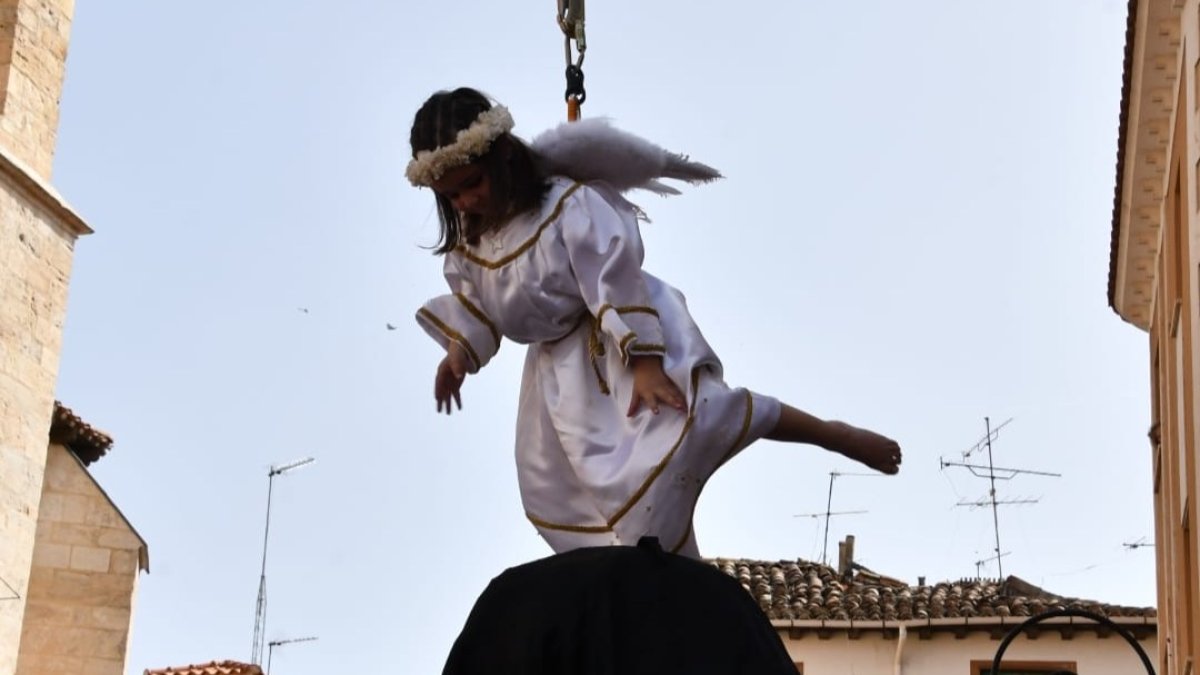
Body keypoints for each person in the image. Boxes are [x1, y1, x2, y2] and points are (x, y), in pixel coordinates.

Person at [409, 87, 901, 558]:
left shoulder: (563, 206)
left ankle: (835, 434)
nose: (466, 203)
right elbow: (479, 311)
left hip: (616, 339)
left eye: (472, 183)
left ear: (502, 159)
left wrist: (644, 361)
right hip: (556, 381)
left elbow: (612, 277)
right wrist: (458, 357)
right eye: (451, 197)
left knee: (701, 415)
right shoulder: (470, 252)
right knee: (582, 491)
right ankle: (671, 573)